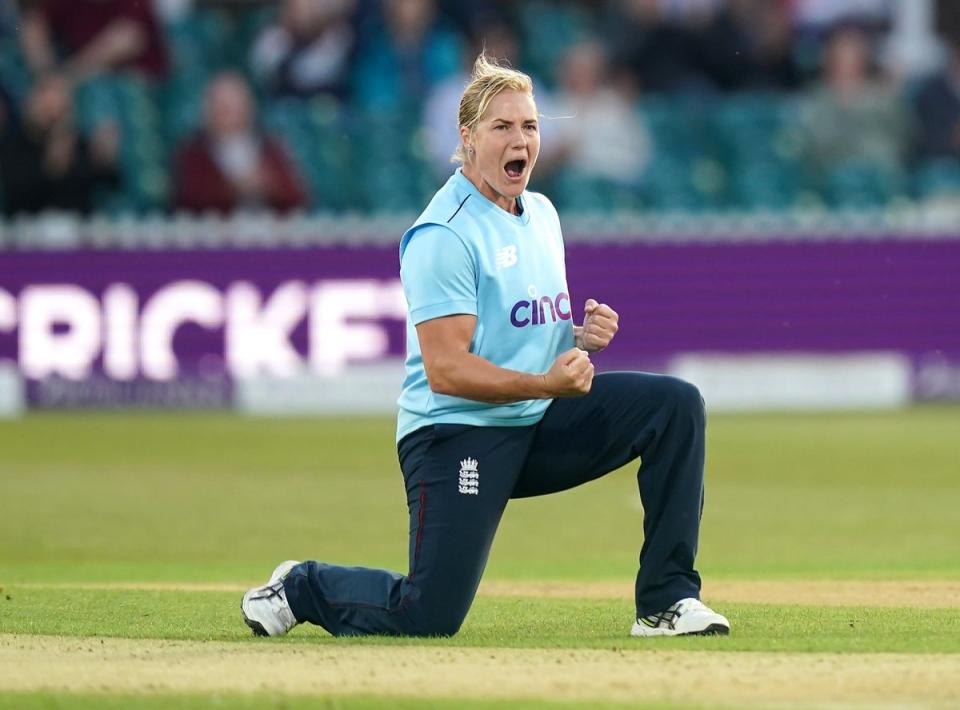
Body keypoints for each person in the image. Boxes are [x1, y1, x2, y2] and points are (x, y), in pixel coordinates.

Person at [241, 53, 730, 639]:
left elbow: (518, 328)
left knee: (675, 407)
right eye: (502, 127)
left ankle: (666, 602)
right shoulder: (442, 234)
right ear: (468, 138)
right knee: (428, 614)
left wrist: (577, 335)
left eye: (529, 126)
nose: (519, 139)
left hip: (536, 419)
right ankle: (301, 585)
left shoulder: (542, 213)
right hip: (456, 433)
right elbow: (447, 369)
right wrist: (548, 384)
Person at [172, 72, 307, 214]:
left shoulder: (270, 147)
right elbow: (186, 200)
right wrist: (231, 189)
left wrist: (267, 185)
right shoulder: (193, 152)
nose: (226, 113)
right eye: (221, 106)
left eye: (232, 107)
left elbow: (296, 197)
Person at [0, 72, 119, 216]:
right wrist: (52, 166)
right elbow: (17, 194)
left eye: (60, 101)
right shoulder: (12, 143)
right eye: (46, 102)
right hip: (28, 229)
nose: (53, 109)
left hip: (76, 228)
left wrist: (104, 161)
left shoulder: (75, 140)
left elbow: (107, 185)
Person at [19, 0, 169, 81]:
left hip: (139, 83)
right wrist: (45, 74)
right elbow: (35, 25)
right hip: (77, 80)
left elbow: (126, 40)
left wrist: (68, 76)